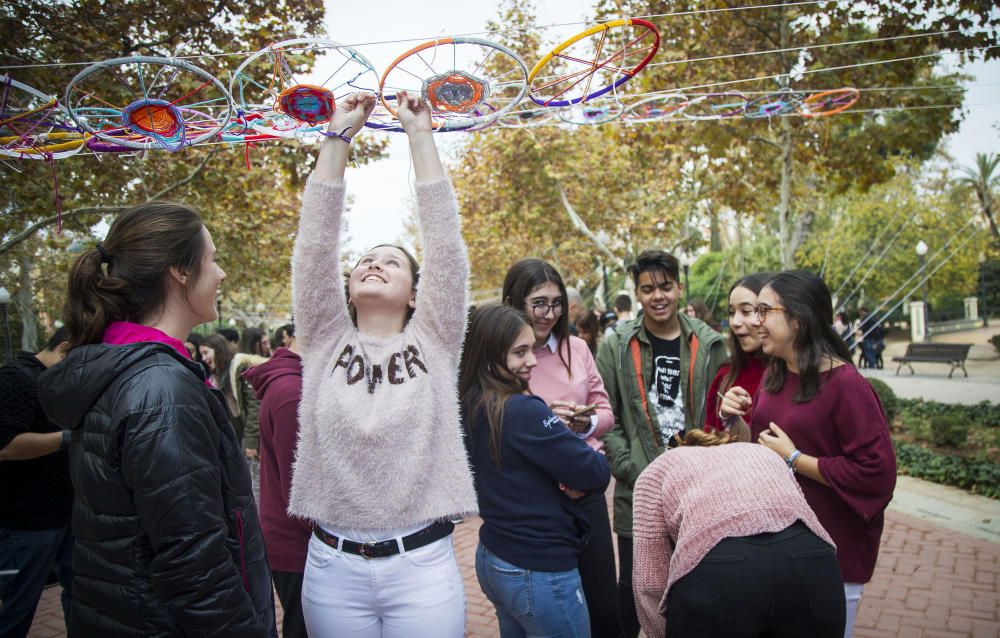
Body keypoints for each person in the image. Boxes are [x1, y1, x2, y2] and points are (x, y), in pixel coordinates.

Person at [37, 202, 276, 636]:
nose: (221, 274)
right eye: (213, 258)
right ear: (179, 272)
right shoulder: (161, 389)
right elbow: (194, 560)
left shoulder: (126, 367)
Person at [288, 92, 477, 638]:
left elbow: (445, 248)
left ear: (416, 294)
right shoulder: (324, 337)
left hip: (422, 567)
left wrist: (420, 134)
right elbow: (314, 248)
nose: (373, 262)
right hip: (331, 567)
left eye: (391, 261)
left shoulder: (435, 337)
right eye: (366, 259)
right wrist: (337, 138)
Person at [720, 270, 896, 638]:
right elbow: (759, 449)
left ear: (798, 319)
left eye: (764, 310)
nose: (755, 321)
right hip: (779, 549)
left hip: (833, 558)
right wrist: (733, 418)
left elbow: (876, 474)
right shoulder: (776, 375)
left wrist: (796, 458)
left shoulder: (848, 386)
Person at [596, 249, 727, 638]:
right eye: (648, 288)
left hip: (698, 489)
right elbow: (607, 413)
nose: (658, 296)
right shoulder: (617, 343)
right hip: (638, 488)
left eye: (666, 287)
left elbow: (720, 414)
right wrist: (630, 467)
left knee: (695, 587)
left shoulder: (708, 344)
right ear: (637, 293)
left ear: (679, 289)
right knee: (636, 590)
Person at [460, 303, 611, 638]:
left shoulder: (471, 404)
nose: (532, 360)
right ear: (488, 356)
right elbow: (596, 472)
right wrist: (565, 463)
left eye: (532, 348)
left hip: (495, 556)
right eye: (520, 352)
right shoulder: (522, 411)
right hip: (539, 568)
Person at [501, 258, 622, 638]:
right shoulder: (499, 360)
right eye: (538, 303)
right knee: (542, 610)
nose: (549, 314)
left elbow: (606, 412)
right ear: (513, 303)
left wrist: (585, 422)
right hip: (532, 500)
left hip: (585, 491)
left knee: (603, 605)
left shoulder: (578, 349)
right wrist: (542, 422)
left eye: (556, 304)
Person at [632, 430, 845, 638]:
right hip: (812, 562)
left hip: (719, 574)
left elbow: (650, 583)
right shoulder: (762, 453)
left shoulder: (659, 467)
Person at [0, 327, 73, 638]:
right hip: (24, 525)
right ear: (66, 349)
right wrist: (66, 439)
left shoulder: (63, 385)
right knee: (15, 610)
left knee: (82, 601)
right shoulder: (14, 379)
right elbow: (5, 445)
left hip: (69, 517)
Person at [244, 327, 311, 638]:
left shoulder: (295, 383)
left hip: (293, 540)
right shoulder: (292, 393)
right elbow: (300, 491)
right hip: (299, 547)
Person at [704, 273, 770, 432]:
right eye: (732, 312)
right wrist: (726, 417)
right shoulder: (725, 374)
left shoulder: (796, 372)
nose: (735, 322)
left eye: (746, 311)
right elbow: (710, 437)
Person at [234, 327, 270, 500]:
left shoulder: (245, 364)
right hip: (254, 437)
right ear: (254, 344)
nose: (267, 345)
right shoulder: (250, 366)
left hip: (255, 434)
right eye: (263, 342)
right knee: (256, 480)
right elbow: (254, 405)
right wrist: (251, 442)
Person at [201, 333, 246, 442]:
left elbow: (252, 405)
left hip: (245, 436)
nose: (203, 358)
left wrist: (251, 441)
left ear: (218, 349)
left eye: (206, 353)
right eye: (201, 354)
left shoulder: (238, 368)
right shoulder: (217, 375)